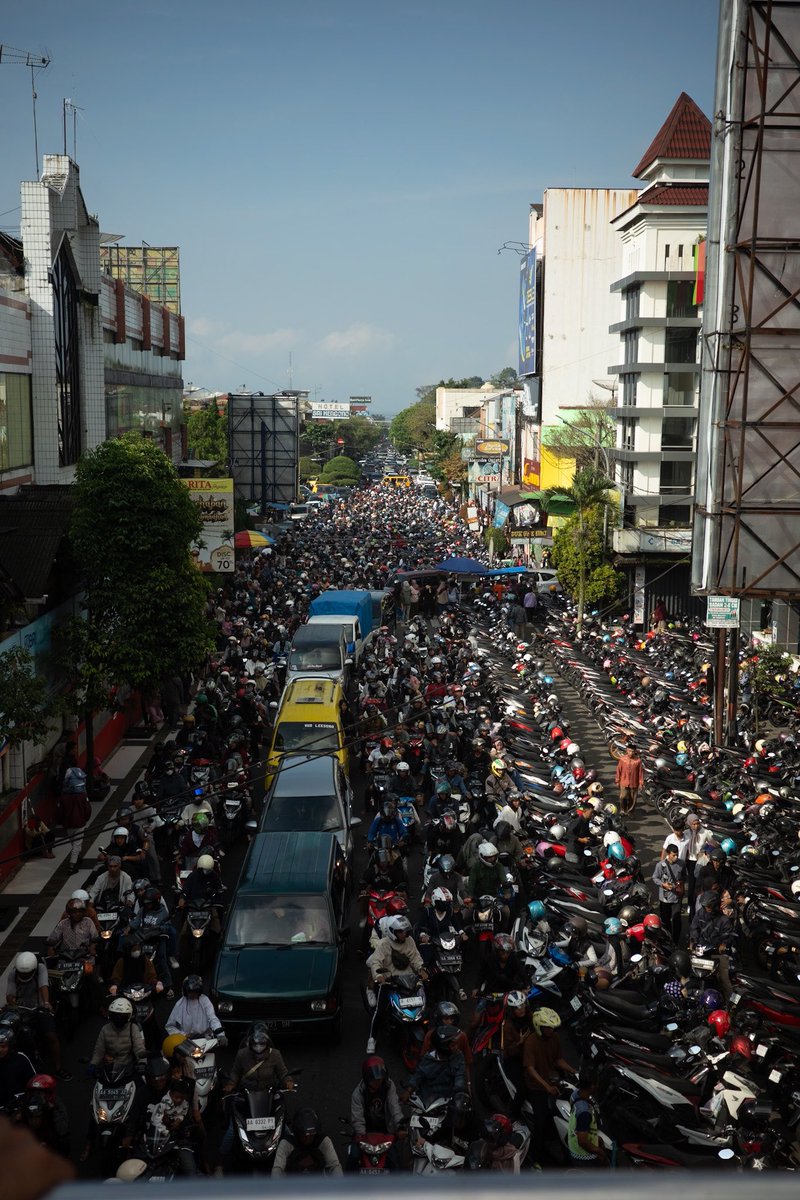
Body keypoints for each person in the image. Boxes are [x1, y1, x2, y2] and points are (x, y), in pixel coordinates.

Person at [521, 1007, 576, 1165]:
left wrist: (573, 1071)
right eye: (548, 1027)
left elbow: (558, 1059)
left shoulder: (555, 1038)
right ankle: (535, 1156)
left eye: (552, 1027)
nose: (551, 1030)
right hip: (536, 1086)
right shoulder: (531, 1042)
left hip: (552, 1080)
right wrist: (546, 1087)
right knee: (541, 1121)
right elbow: (530, 1069)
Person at [6, 952, 70, 1081]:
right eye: (22, 974)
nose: (24, 976)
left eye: (27, 974)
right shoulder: (13, 974)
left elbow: (43, 986)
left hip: (39, 1008)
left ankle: (58, 1068)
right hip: (22, 1009)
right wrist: (13, 1005)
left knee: (50, 1036)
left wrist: (46, 1003)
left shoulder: (40, 968)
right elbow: (10, 994)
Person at [400, 1025, 466, 1106]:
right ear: (443, 1048)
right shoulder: (428, 1059)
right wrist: (408, 1091)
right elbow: (418, 1075)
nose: (456, 1047)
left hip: (447, 1099)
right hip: (426, 1098)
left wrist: (459, 1093)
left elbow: (460, 1076)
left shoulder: (458, 1057)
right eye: (453, 1045)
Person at [272, 1107, 343, 1176]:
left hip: (319, 1183)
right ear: (297, 1133)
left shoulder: (323, 1141)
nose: (308, 1139)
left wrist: (339, 1185)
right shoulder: (286, 1143)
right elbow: (278, 1169)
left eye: (311, 1136)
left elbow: (334, 1166)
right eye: (304, 1136)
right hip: (292, 1183)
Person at [89, 997, 146, 1071]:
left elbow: (139, 1049)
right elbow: (99, 1050)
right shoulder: (105, 1029)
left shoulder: (133, 1028)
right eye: (116, 1015)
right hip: (109, 1068)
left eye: (122, 1016)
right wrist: (93, 1064)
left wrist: (143, 1063)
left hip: (128, 1068)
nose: (119, 1019)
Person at [165, 976, 227, 1042]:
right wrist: (182, 1035)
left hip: (205, 1038)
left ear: (199, 992)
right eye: (190, 992)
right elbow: (170, 1026)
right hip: (186, 1040)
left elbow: (212, 1018)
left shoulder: (205, 1001)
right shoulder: (180, 1004)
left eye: (195, 992)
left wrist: (221, 1035)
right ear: (186, 992)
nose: (192, 994)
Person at [566, 1071, 609, 1167]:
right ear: (592, 1086)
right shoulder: (585, 1113)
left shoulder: (575, 1094)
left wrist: (595, 1138)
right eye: (597, 1083)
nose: (598, 1086)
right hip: (582, 1156)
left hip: (575, 1143)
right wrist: (599, 1152)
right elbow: (582, 1141)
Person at [652, 844, 686, 942]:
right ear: (668, 854)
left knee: (676, 919)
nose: (675, 857)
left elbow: (684, 876)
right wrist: (663, 884)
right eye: (673, 855)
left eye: (677, 855)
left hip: (676, 897)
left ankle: (675, 941)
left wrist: (680, 882)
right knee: (665, 921)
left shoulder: (682, 864)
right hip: (664, 898)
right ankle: (667, 939)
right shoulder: (660, 865)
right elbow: (655, 877)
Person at [56, 779, 91, 874]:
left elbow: (60, 812)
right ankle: (72, 866)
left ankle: (77, 856)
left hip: (68, 824)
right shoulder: (83, 796)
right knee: (77, 844)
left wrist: (61, 822)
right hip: (79, 823)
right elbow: (87, 809)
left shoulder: (63, 797)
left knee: (74, 842)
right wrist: (85, 819)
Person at [0, 1027, 35, 1109]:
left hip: (18, 1106)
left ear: (10, 1046)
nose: (0, 1050)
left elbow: (33, 1082)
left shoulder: (21, 1059)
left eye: (3, 1046)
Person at [615, 745, 644, 815]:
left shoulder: (638, 761)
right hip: (624, 782)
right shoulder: (622, 759)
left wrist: (641, 783)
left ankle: (630, 812)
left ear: (635, 752)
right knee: (622, 797)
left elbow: (640, 773)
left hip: (634, 783)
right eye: (629, 751)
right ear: (627, 751)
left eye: (632, 751)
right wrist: (617, 780)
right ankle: (623, 810)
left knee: (632, 799)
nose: (631, 753)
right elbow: (619, 770)